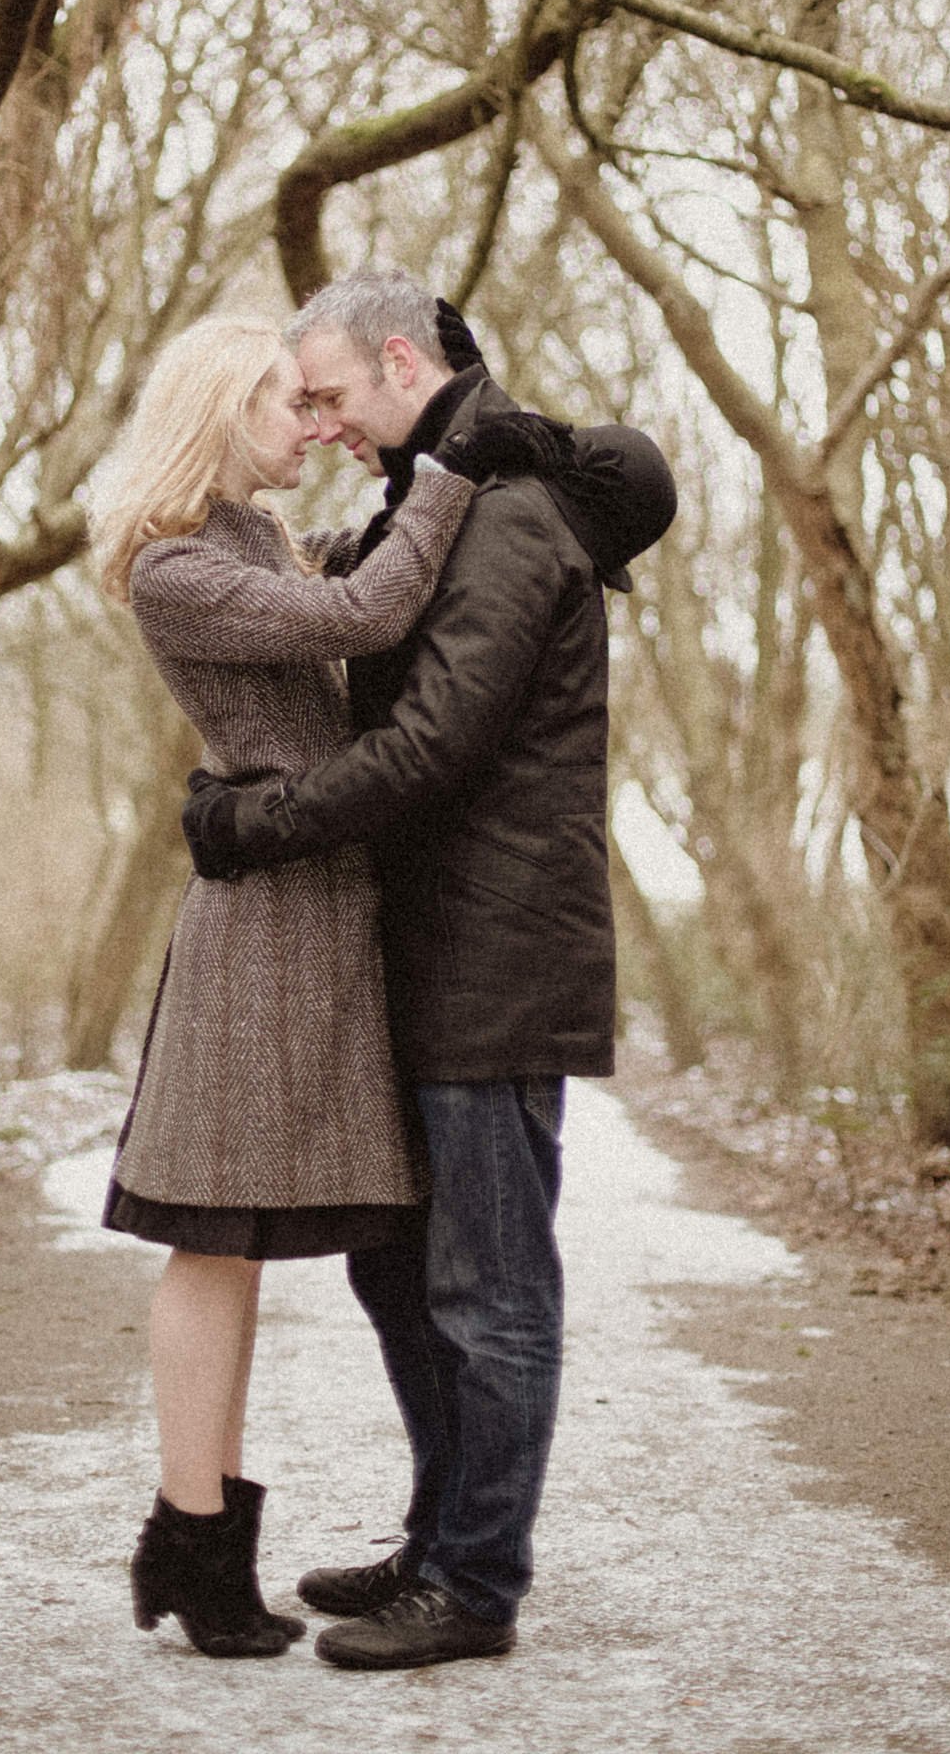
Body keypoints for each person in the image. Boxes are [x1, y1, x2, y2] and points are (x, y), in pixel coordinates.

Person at [183, 269, 677, 1672]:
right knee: (398, 1276)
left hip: (500, 957)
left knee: (491, 1289)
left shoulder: (510, 517)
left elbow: (433, 747)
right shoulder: (437, 493)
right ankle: (439, 1533)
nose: (324, 422)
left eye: (331, 394)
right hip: (420, 952)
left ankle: (478, 1584)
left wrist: (251, 827)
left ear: (404, 359)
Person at [91, 312, 503, 1659]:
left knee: (241, 1244)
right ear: (219, 413)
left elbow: (356, 570)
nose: (308, 424)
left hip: (315, 916)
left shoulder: (251, 540)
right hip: (257, 939)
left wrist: (418, 476)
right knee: (212, 1236)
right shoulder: (174, 568)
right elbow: (365, 609)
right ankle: (195, 1543)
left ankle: (193, 1540)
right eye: (286, 401)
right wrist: (448, 466)